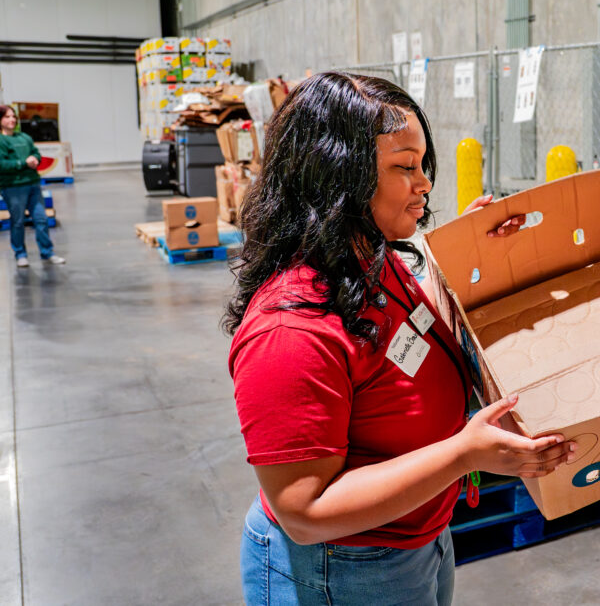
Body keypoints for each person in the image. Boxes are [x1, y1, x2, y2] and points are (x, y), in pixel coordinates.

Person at [224, 72, 572, 606]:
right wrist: (461, 455)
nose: (424, 183)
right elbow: (302, 511)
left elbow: (411, 331)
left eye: (421, 165)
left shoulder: (367, 257)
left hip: (418, 536)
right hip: (344, 567)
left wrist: (468, 251)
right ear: (338, 176)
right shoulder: (289, 331)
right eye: (404, 168)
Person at [0, 105, 65, 267]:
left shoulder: (24, 137)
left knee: (41, 219)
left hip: (33, 184)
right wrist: (23, 163)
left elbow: (35, 152)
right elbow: (2, 164)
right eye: (7, 117)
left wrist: (36, 159)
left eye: (13, 116)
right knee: (17, 221)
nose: (12, 119)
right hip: (13, 187)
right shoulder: (1, 141)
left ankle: (47, 252)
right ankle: (20, 254)